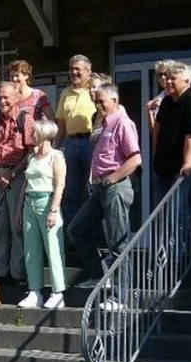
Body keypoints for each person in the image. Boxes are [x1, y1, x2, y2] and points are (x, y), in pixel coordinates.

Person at [67, 83, 142, 311]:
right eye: (96, 102)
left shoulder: (123, 123)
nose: (98, 105)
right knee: (76, 229)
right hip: (100, 187)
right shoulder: (104, 123)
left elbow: (135, 159)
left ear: (114, 100)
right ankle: (100, 273)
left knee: (118, 242)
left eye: (102, 101)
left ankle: (121, 296)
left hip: (115, 186)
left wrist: (112, 179)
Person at [0, 81, 35, 284]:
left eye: (6, 97)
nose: (1, 101)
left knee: (17, 225)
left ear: (17, 98)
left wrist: (14, 172)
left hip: (18, 174)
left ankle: (19, 272)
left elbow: (32, 151)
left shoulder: (25, 119)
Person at [152, 62, 191, 260]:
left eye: (173, 79)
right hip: (162, 167)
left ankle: (177, 255)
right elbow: (157, 130)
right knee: (161, 213)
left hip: (179, 169)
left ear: (187, 81)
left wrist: (187, 162)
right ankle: (162, 254)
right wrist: (155, 155)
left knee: (176, 213)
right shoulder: (166, 102)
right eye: (167, 78)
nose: (168, 82)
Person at [15, 120, 67, 309]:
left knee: (53, 248)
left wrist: (53, 210)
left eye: (35, 132)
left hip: (47, 202)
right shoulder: (31, 157)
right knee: (31, 249)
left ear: (45, 134)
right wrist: (19, 208)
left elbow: (60, 185)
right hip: (30, 203)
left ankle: (57, 292)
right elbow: (26, 183)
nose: (32, 135)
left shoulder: (56, 156)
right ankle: (34, 291)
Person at [54, 54, 97, 226]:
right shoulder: (66, 93)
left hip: (91, 143)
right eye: (71, 69)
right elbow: (61, 124)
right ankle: (73, 232)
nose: (73, 73)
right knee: (70, 190)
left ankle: (91, 233)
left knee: (91, 190)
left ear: (88, 71)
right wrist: (55, 149)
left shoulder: (94, 89)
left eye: (77, 69)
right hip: (71, 144)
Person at [146, 59, 176, 134]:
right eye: (160, 75)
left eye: (165, 74)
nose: (162, 77)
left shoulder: (181, 95)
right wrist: (149, 112)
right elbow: (154, 131)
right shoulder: (158, 99)